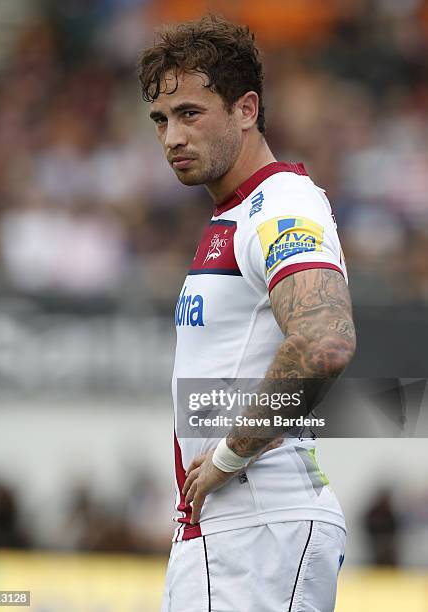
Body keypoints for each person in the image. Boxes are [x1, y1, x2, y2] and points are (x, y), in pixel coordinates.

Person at [138, 14, 356, 612]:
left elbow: (323, 343)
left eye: (189, 113)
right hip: (236, 534)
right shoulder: (238, 214)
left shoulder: (281, 204)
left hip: (260, 532)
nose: (172, 137)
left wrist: (230, 455)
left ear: (246, 109)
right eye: (160, 120)